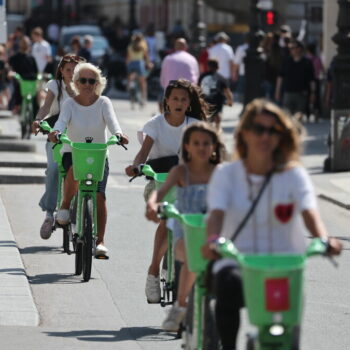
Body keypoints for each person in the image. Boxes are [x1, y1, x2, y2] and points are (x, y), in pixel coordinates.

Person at [202, 98, 342, 350]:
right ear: (244, 133)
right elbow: (216, 215)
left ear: (281, 137)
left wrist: (323, 239)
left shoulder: (294, 175)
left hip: (284, 265)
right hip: (238, 261)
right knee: (228, 288)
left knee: (290, 321)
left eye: (273, 131)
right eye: (259, 129)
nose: (265, 136)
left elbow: (310, 212)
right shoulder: (227, 174)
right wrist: (213, 240)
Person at [125, 79, 208, 303]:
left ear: (189, 103)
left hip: (188, 186)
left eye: (183, 99)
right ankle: (153, 272)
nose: (179, 102)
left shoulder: (194, 125)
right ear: (166, 102)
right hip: (158, 182)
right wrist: (136, 167)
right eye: (175, 98)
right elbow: (143, 153)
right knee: (166, 221)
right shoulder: (155, 124)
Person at [146, 122, 224, 331]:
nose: (201, 147)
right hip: (185, 224)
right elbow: (159, 194)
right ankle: (179, 306)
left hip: (211, 226)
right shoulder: (181, 172)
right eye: (195, 143)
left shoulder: (220, 172)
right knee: (190, 256)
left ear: (214, 146)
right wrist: (153, 205)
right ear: (186, 146)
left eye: (206, 143)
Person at [48, 62, 129, 257]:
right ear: (75, 82)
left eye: (91, 81)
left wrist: (119, 134)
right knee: (74, 170)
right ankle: (65, 205)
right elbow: (60, 122)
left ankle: (100, 241)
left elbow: (113, 123)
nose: (87, 84)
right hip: (73, 152)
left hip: (98, 153)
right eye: (83, 80)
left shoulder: (104, 102)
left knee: (100, 196)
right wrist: (56, 132)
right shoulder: (69, 104)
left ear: (97, 83)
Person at [31, 54, 86, 239]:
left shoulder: (85, 85)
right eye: (68, 69)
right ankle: (48, 214)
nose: (71, 73)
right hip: (57, 133)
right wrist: (38, 119)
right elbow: (46, 106)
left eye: (75, 70)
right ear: (61, 70)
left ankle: (78, 214)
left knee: (80, 172)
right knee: (54, 169)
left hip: (78, 135)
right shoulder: (55, 85)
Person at [275, 40, 316, 121]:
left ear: (300, 48)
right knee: (287, 116)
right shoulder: (286, 61)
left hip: (302, 93)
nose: (291, 50)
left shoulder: (307, 62)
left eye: (293, 47)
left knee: (298, 117)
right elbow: (280, 77)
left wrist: (313, 93)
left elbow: (312, 79)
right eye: (290, 48)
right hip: (288, 92)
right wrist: (277, 91)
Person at [199, 59, 233, 130]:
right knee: (217, 115)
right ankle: (217, 130)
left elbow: (198, 89)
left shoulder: (202, 76)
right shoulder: (220, 78)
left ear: (207, 67)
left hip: (205, 100)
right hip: (217, 100)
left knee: (205, 116)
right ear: (218, 67)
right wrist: (230, 101)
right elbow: (227, 91)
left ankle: (206, 128)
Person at [8, 36, 39, 115]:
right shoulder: (15, 57)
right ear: (20, 44)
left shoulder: (31, 58)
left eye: (26, 43)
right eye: (23, 43)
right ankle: (17, 107)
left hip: (31, 83)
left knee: (36, 99)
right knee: (18, 93)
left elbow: (36, 71)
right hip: (20, 82)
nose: (25, 45)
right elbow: (10, 68)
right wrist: (10, 73)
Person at [126, 32, 151, 106]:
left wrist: (127, 64)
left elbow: (128, 57)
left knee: (130, 78)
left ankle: (130, 85)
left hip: (131, 64)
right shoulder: (143, 46)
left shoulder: (130, 46)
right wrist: (148, 64)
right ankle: (143, 99)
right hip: (139, 64)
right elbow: (146, 56)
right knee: (143, 83)